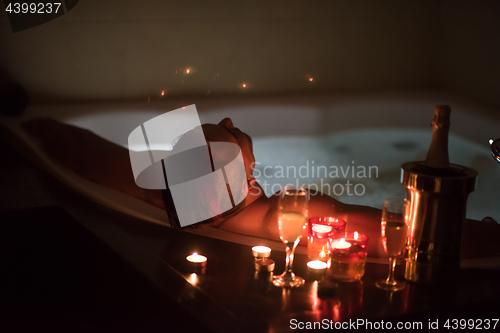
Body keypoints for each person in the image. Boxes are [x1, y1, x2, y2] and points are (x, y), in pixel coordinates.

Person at [22, 117, 499, 258]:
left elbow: (91, 153)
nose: (228, 122)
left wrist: (43, 129)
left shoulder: (168, 195)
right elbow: (408, 236)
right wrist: (483, 234)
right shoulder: (284, 216)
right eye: (230, 148)